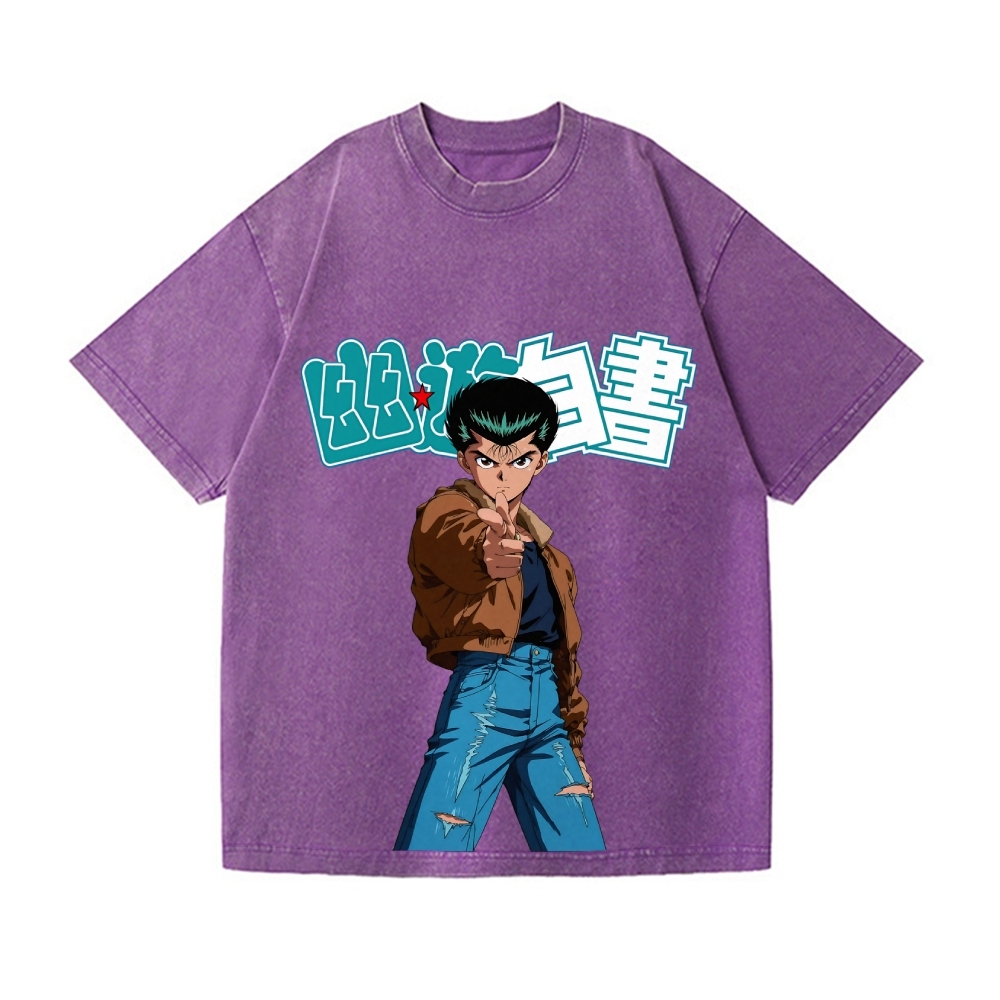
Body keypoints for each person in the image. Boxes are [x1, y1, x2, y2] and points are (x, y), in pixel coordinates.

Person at [394, 376, 606, 851]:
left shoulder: (555, 563)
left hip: (549, 710)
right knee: (439, 839)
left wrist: (573, 741)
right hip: (486, 693)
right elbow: (452, 540)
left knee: (580, 848)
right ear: (465, 459)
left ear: (541, 461)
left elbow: (566, 657)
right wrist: (486, 552)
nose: (504, 475)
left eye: (520, 460)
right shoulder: (449, 512)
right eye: (488, 460)